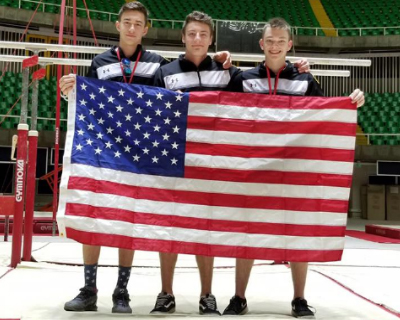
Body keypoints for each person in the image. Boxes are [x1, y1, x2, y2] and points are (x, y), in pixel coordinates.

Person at [59, 2, 232, 314]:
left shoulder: (157, 65)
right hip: (103, 151)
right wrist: (67, 91)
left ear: (146, 28)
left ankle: (121, 292)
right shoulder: (99, 62)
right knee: (95, 216)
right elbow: (84, 99)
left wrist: (217, 60)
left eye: (138, 23)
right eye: (127, 22)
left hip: (141, 155)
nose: (131, 28)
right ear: (118, 25)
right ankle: (88, 289)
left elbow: (167, 104)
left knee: (129, 220)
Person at [151, 12, 310, 316]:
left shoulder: (231, 75)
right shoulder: (167, 72)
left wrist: (304, 69)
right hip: (178, 161)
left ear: (212, 39)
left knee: (207, 230)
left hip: (223, 166)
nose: (198, 39)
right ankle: (166, 293)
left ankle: (208, 295)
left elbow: (319, 110)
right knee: (172, 228)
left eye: (203, 34)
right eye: (192, 34)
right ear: (183, 37)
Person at [222, 17, 365, 318]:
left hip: (294, 170)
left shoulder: (305, 81)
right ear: (262, 44)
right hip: (255, 170)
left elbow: (325, 117)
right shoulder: (243, 79)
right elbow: (226, 117)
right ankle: (239, 297)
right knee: (246, 233)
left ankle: (299, 299)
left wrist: (351, 102)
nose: (274, 46)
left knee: (299, 231)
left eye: (280, 41)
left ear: (289, 45)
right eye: (269, 41)